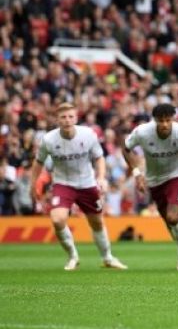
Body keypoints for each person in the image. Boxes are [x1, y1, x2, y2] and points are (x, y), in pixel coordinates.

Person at [30, 102, 127, 270]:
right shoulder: (48, 140)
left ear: (76, 118)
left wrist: (102, 177)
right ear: (57, 119)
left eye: (70, 116)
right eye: (63, 117)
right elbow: (38, 163)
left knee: (96, 222)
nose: (67, 120)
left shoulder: (88, 135)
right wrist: (33, 185)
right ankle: (73, 256)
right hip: (63, 183)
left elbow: (99, 157)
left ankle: (107, 258)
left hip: (87, 183)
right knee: (57, 219)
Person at [122, 103, 178, 271]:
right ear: (155, 120)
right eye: (161, 121)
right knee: (170, 225)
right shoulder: (143, 132)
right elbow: (126, 148)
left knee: (173, 217)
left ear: (173, 119)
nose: (165, 124)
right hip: (154, 180)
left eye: (168, 120)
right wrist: (137, 173)